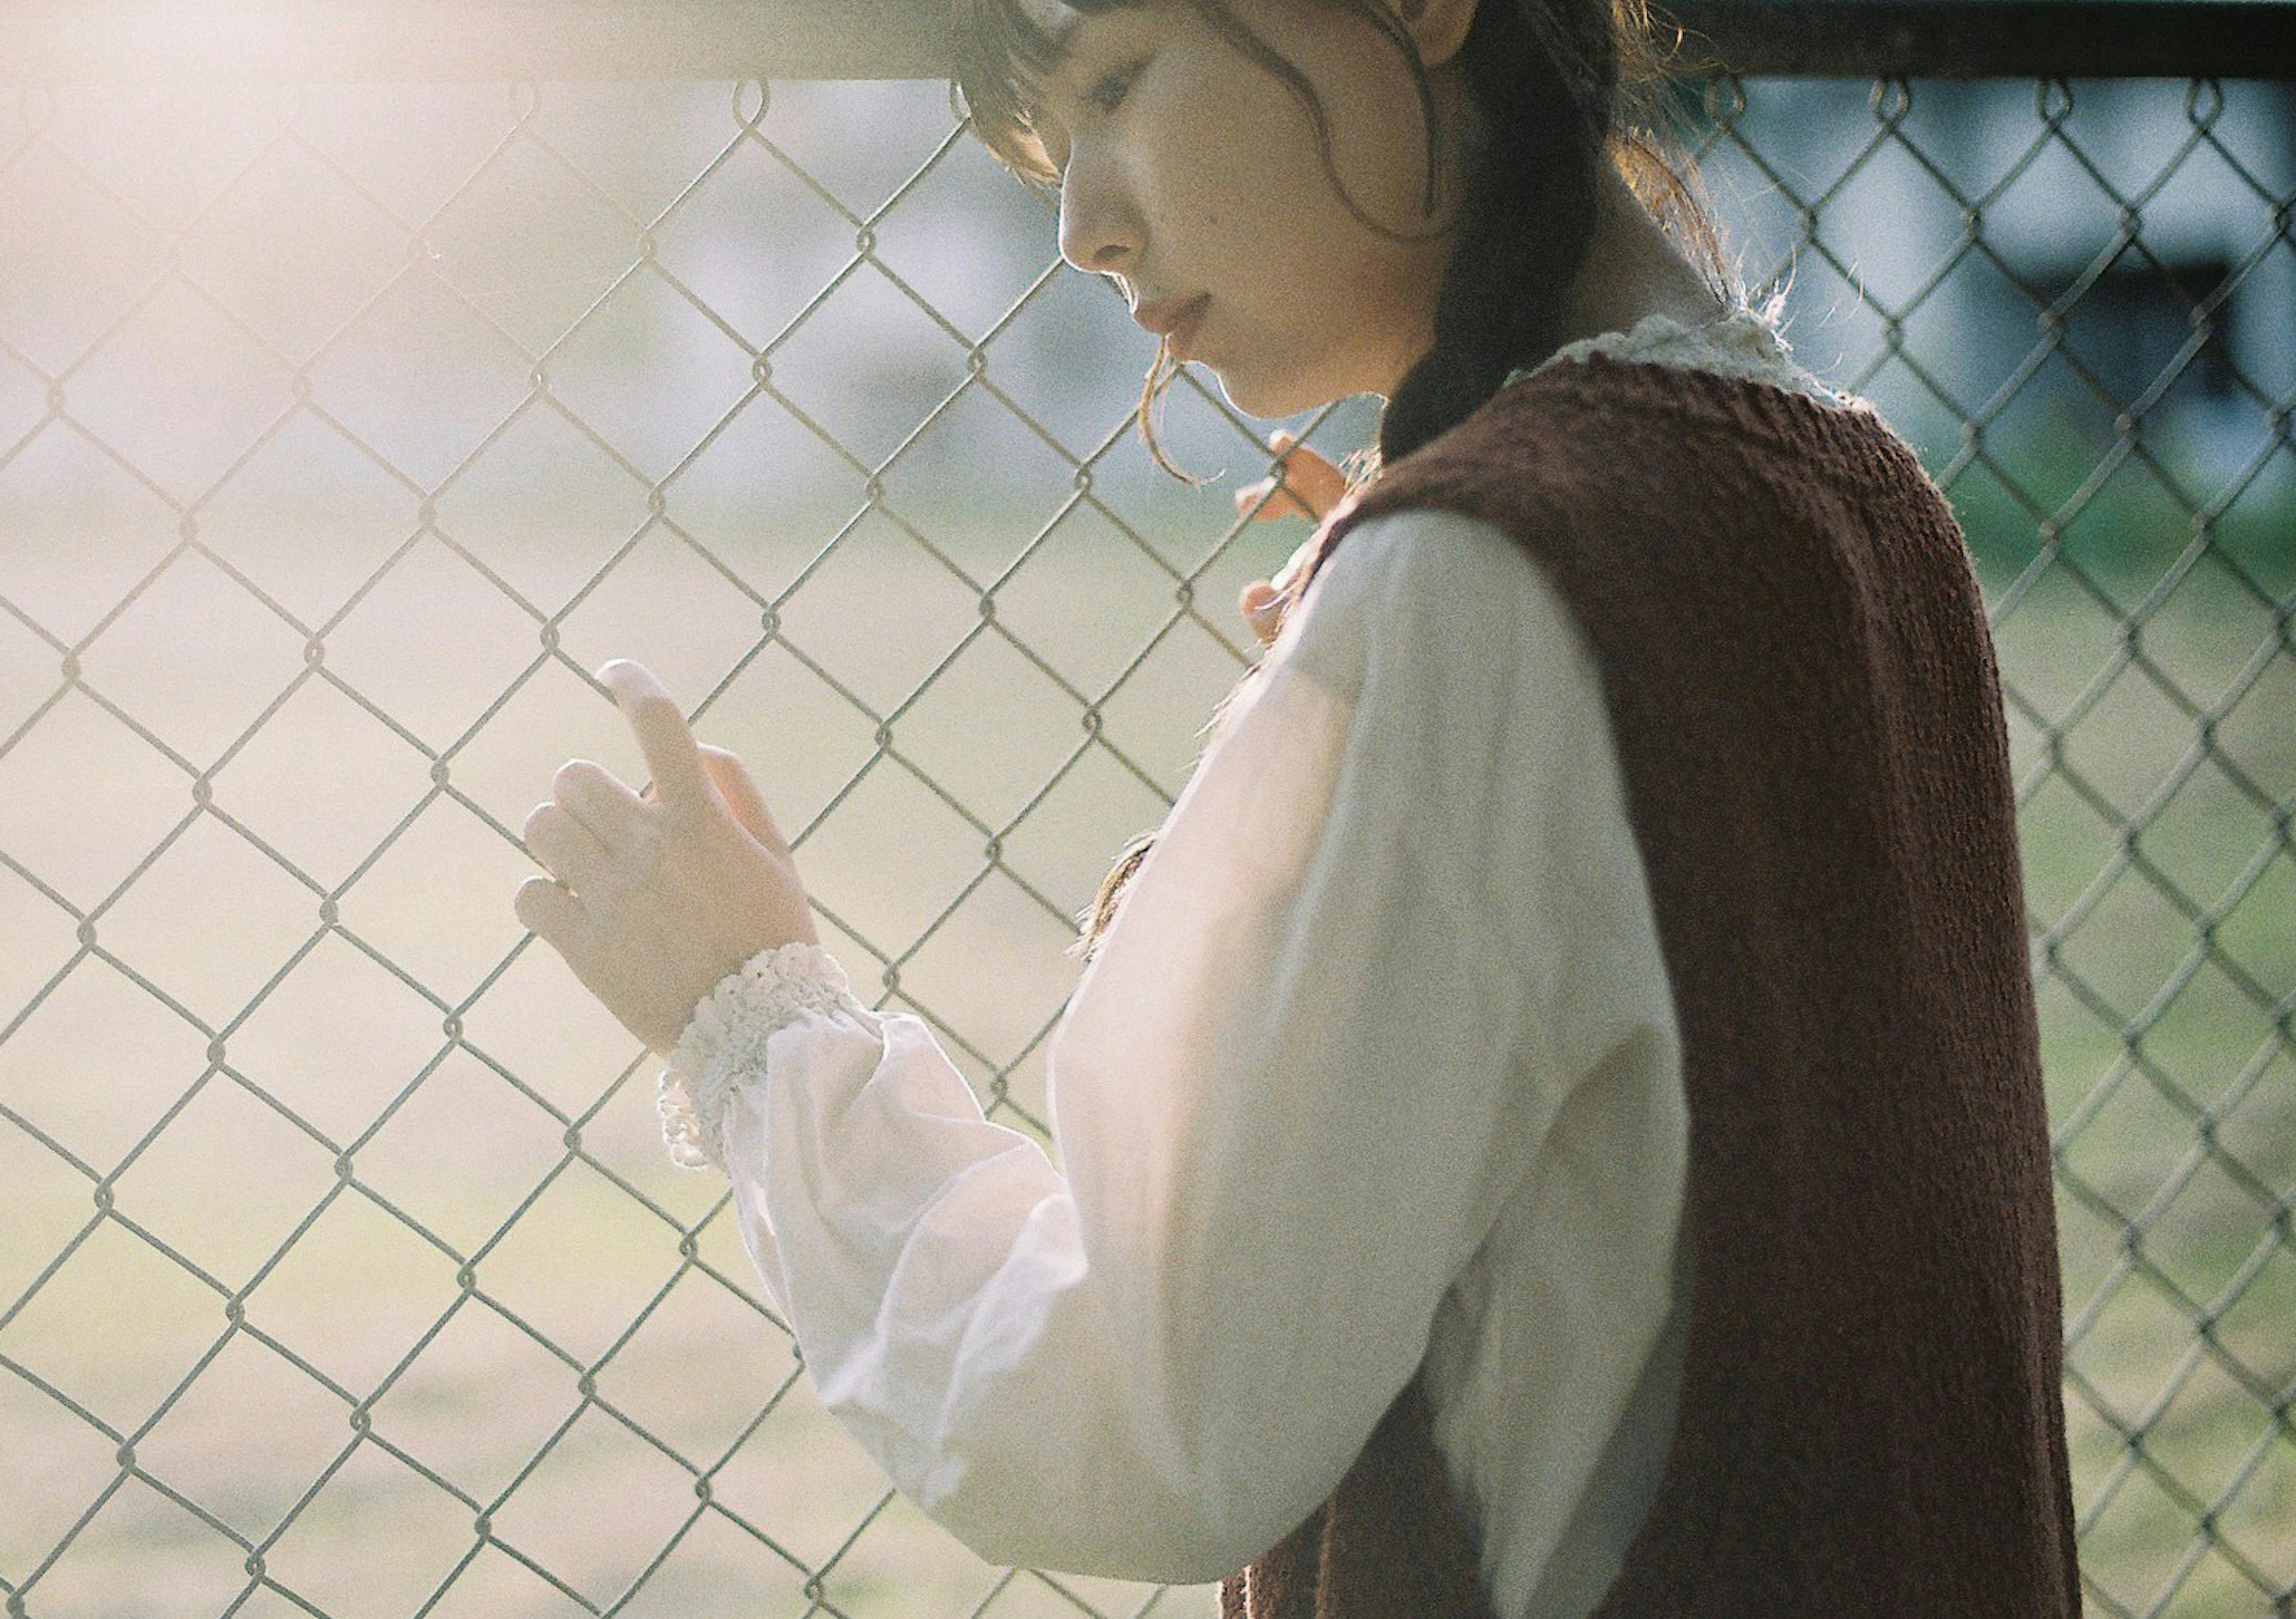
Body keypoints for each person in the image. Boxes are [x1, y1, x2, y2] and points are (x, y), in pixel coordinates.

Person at [514, 0, 2082, 1614]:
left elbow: (1149, 1411)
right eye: (1054, 152)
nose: (1081, 226)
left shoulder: (1481, 591)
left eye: (1119, 84)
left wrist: (754, 1025)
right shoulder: (1861, 500)